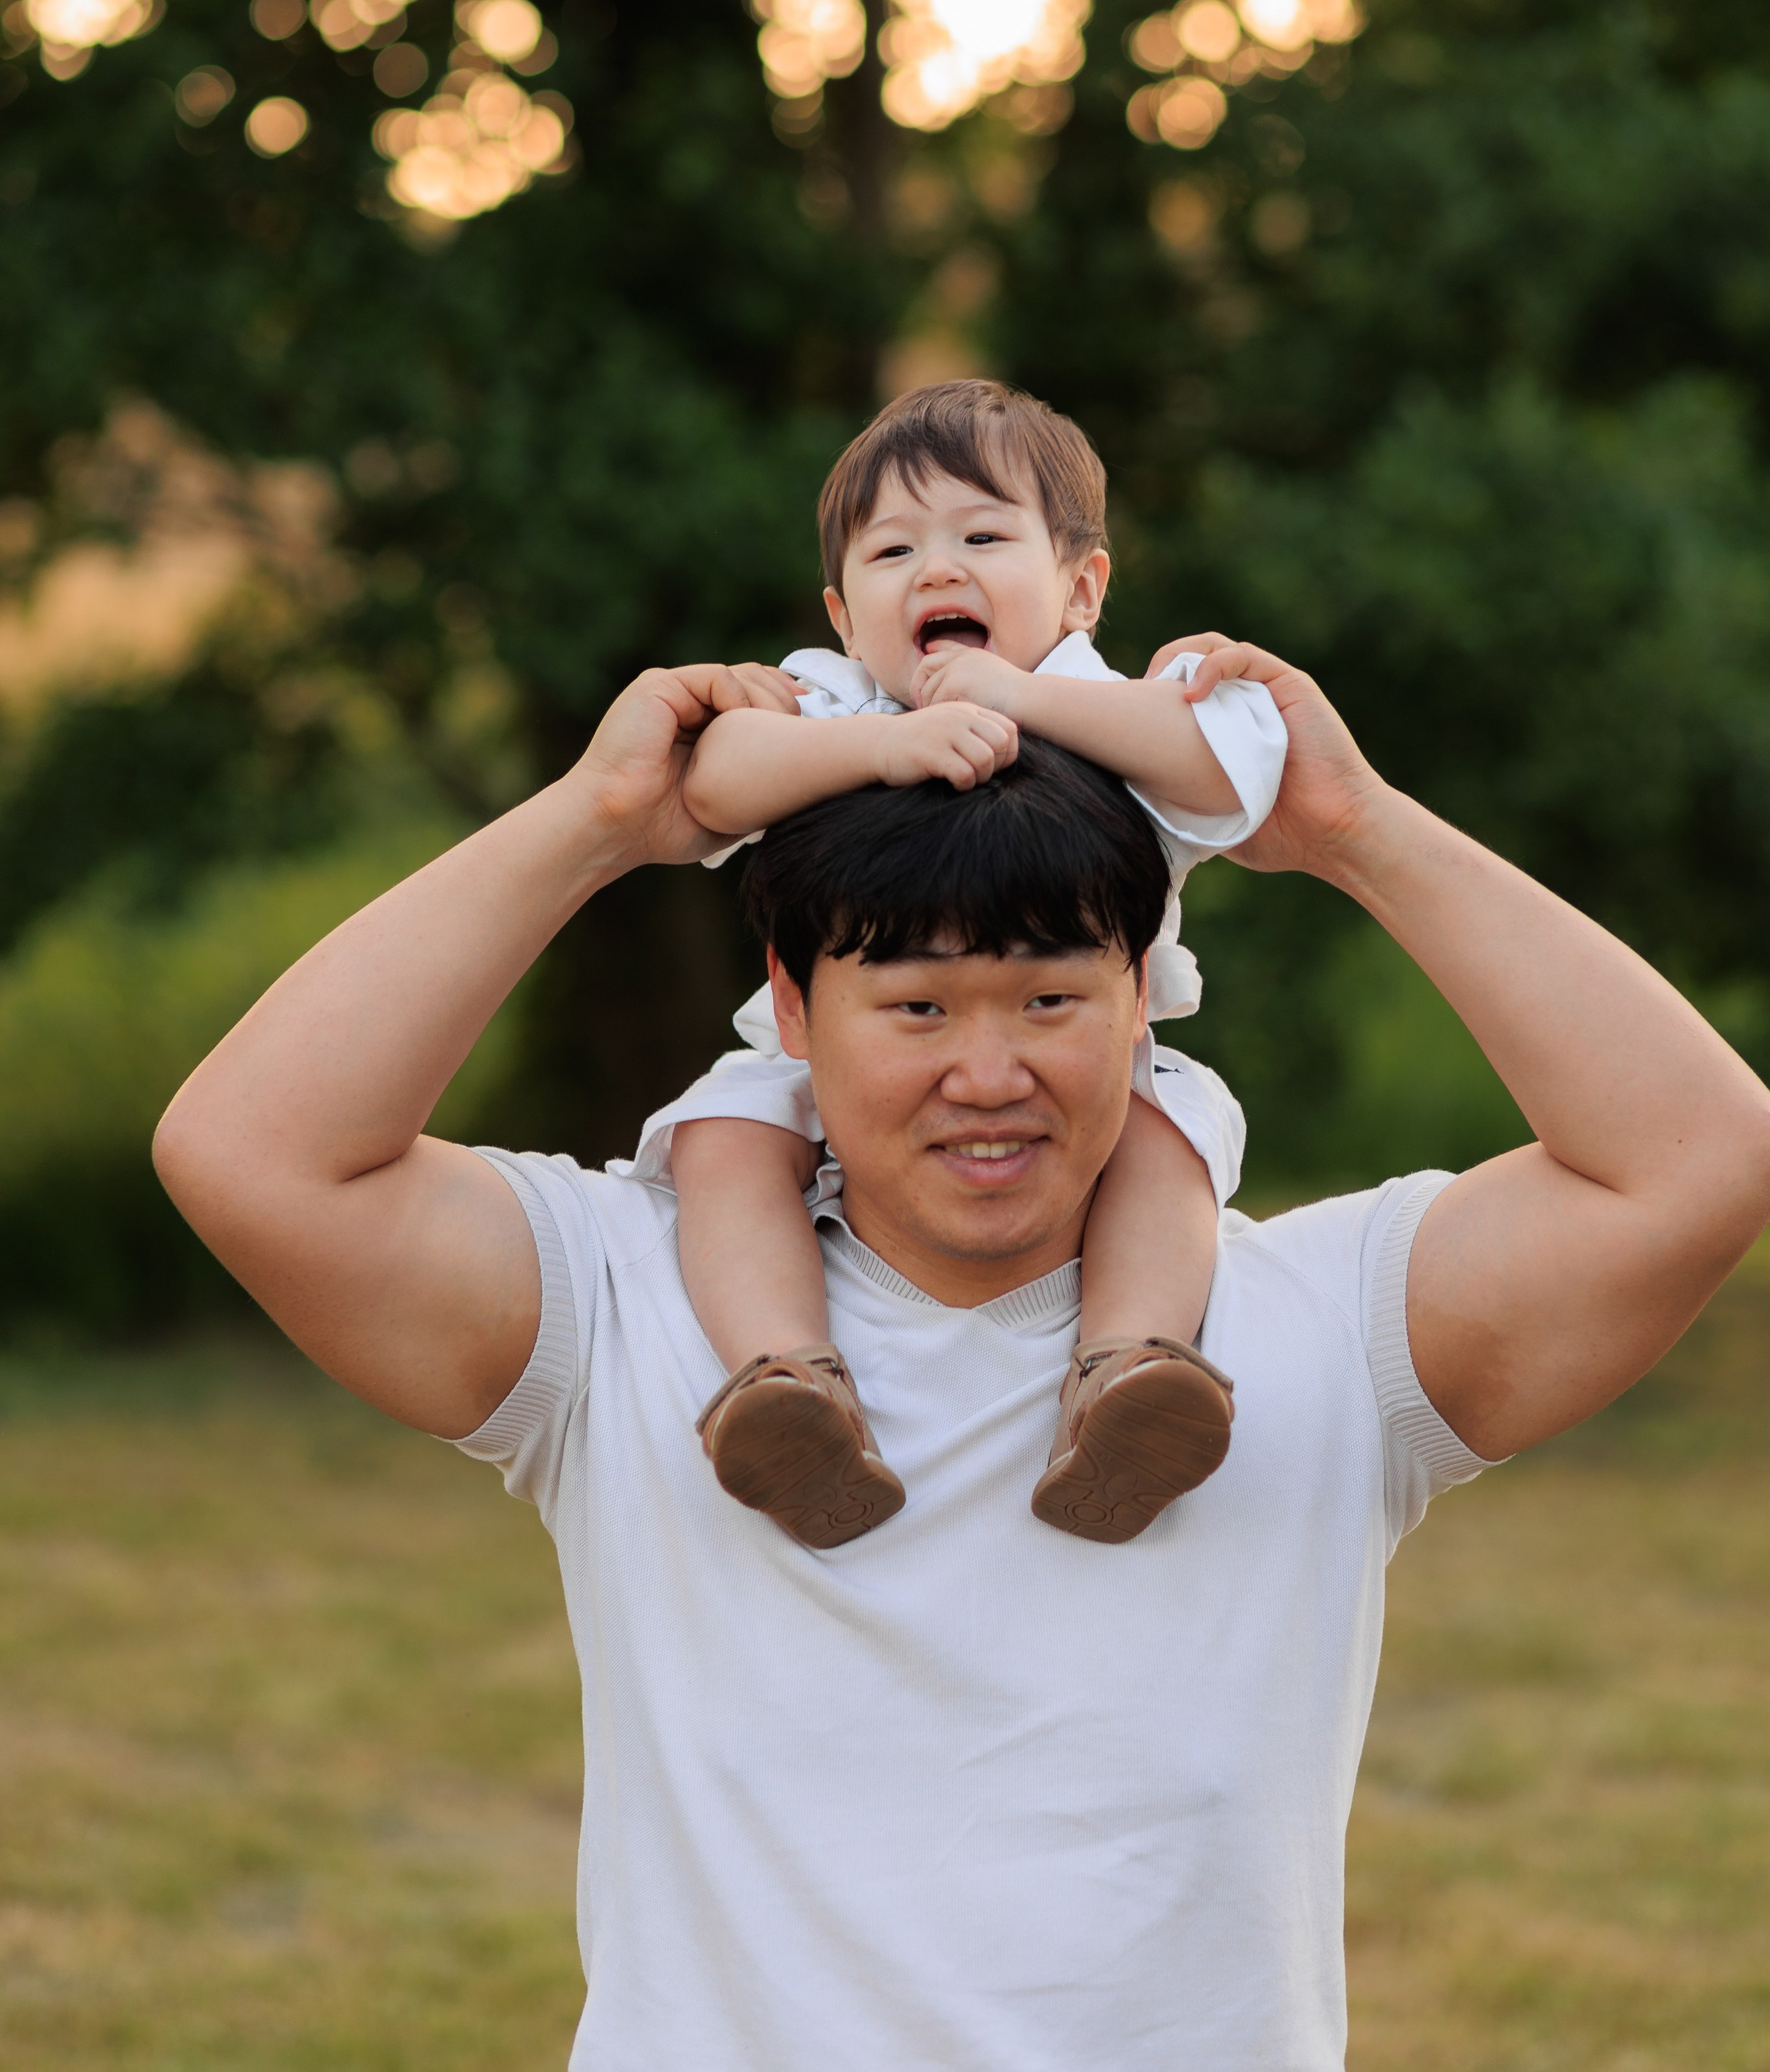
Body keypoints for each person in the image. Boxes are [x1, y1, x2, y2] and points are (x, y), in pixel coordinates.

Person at [153, 643, 1770, 2072]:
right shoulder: (631, 1308)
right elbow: (251, 1154)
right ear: (788, 1008)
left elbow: (1700, 1162)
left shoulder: (1319, 1330)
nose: (987, 1074)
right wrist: (596, 823)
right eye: (914, 1008)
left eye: (1051, 997)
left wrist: (1349, 831)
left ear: (1143, 999)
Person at [649, 378, 1289, 1547]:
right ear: (844, 616)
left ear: (1081, 588)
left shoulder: (1108, 701)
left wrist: (1026, 697)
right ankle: (787, 1382)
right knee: (724, 1138)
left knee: (1168, 1140)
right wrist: (887, 742)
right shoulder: (845, 699)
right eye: (894, 551)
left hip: (1098, 1060)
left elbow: (1230, 777)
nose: (937, 571)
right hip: (832, 1052)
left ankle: (1126, 1374)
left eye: (984, 536)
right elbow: (714, 779)